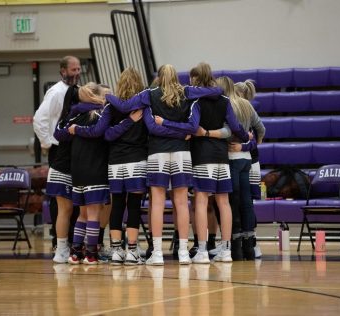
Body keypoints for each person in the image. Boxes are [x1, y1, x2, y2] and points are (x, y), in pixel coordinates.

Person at [105, 64, 224, 265]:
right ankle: (184, 253)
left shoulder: (150, 94)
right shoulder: (187, 92)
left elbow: (127, 109)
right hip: (181, 152)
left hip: (157, 153)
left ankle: (157, 253)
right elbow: (217, 91)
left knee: (157, 203)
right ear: (177, 77)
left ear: (159, 78)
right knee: (182, 202)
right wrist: (180, 133)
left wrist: (107, 96)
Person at [155, 62, 249, 263]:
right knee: (223, 203)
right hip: (222, 158)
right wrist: (246, 138)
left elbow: (192, 126)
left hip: (202, 157)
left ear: (195, 79)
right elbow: (234, 126)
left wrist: (166, 124)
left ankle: (203, 251)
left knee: (201, 202)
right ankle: (226, 251)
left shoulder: (195, 101)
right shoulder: (224, 100)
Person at [69, 68, 147, 265]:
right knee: (134, 206)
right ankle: (131, 250)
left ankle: (115, 250)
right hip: (136, 160)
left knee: (117, 205)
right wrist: (131, 122)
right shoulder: (144, 106)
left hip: (115, 162)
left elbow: (107, 135)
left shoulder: (110, 107)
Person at [54, 82, 111, 265]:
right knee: (94, 214)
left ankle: (75, 253)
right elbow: (99, 132)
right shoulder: (102, 113)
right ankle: (91, 254)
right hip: (95, 168)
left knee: (82, 214)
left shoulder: (75, 114)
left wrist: (76, 130)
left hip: (77, 171)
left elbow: (59, 133)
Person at [33, 56, 81, 258]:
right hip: (59, 149)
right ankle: (57, 242)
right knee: (59, 199)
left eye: (79, 69)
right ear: (63, 71)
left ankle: (71, 241)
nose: (77, 72)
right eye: (73, 69)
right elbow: (39, 119)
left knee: (75, 197)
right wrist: (48, 142)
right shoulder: (55, 92)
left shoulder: (78, 91)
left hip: (74, 149)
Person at [216, 76, 264, 260]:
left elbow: (228, 131)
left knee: (232, 202)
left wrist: (241, 143)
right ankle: (250, 248)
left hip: (233, 159)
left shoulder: (227, 105)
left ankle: (235, 249)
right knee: (246, 202)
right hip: (248, 160)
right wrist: (250, 143)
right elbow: (262, 129)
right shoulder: (246, 105)